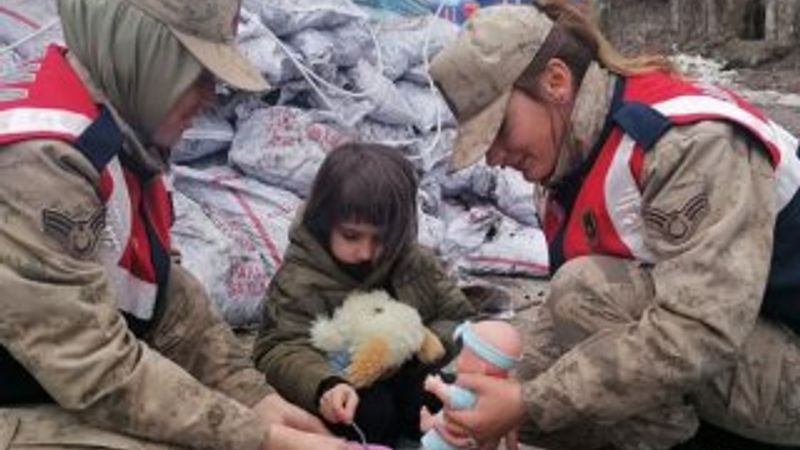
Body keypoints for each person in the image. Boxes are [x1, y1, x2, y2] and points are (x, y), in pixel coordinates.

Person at [427, 1, 800, 449]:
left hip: (773, 361)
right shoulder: (566, 160)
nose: (495, 157)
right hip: (754, 349)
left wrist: (528, 401)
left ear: (557, 82)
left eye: (500, 130)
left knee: (585, 293)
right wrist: (482, 409)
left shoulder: (687, 144)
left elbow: (700, 330)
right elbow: (563, 325)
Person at [0, 0, 349, 449]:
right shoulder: (38, 163)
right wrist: (261, 438)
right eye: (196, 74)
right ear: (144, 54)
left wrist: (254, 397)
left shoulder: (120, 139)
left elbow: (160, 293)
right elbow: (93, 367)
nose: (209, 97)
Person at [253, 143, 477, 447]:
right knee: (371, 410)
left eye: (382, 238)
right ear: (325, 221)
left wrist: (422, 342)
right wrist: (326, 386)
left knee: (448, 395)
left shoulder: (413, 261)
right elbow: (278, 349)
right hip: (344, 393)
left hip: (407, 379)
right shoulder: (301, 278)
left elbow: (457, 316)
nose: (366, 252)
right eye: (351, 236)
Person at [420, 320, 522, 450]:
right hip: (474, 436)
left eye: (462, 355)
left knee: (447, 420)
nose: (457, 359)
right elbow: (511, 430)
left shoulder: (477, 390)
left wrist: (437, 387)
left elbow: (455, 398)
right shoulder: (505, 389)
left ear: (479, 367)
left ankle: (429, 424)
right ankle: (430, 422)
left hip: (448, 441)